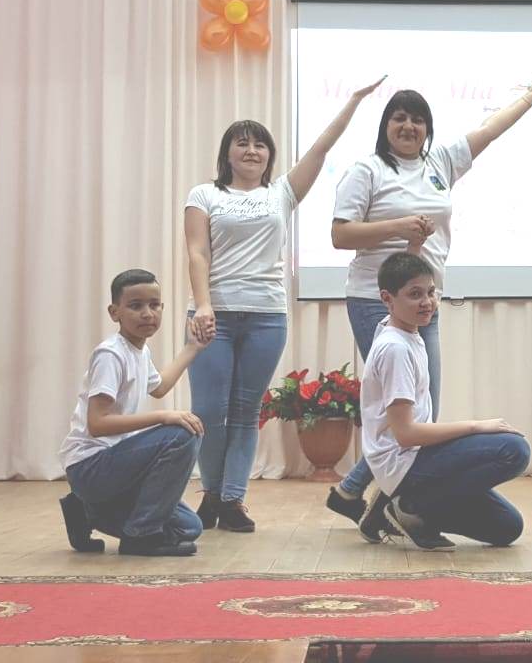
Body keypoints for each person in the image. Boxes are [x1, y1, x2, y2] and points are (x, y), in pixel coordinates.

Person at [326, 83, 532, 528]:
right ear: (385, 125)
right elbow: (340, 235)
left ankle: (356, 491)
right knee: (404, 409)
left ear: (428, 128)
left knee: (425, 407)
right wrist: (398, 227)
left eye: (417, 120)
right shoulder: (367, 170)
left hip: (424, 298)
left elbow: (489, 130)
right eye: (399, 118)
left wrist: (530, 97)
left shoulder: (440, 162)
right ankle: (381, 498)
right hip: (377, 298)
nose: (408, 126)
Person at [184, 77, 385, 533]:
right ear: (227, 153)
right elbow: (197, 252)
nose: (251, 151)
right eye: (242, 143)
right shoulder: (204, 194)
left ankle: (232, 499)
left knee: (245, 411)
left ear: (270, 155)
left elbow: (320, 149)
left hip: (266, 317)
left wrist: (353, 100)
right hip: (213, 315)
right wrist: (203, 306)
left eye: (260, 144)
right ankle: (211, 493)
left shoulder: (281, 193)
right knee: (209, 411)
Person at [357, 252, 530, 550]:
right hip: (402, 463)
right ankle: (408, 506)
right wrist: (476, 426)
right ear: (387, 299)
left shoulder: (403, 331)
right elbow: (406, 434)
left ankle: (388, 510)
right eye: (415, 294)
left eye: (430, 292)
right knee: (514, 450)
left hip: (412, 460)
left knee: (507, 527)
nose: (427, 302)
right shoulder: (396, 348)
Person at [58, 269, 209, 556]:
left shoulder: (139, 351)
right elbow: (97, 423)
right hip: (90, 466)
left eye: (154, 305)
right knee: (183, 434)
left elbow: (159, 387)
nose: (147, 313)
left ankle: (86, 511)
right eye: (136, 306)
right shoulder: (110, 354)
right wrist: (163, 416)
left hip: (115, 465)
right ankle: (140, 537)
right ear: (114, 312)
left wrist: (193, 347)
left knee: (189, 527)